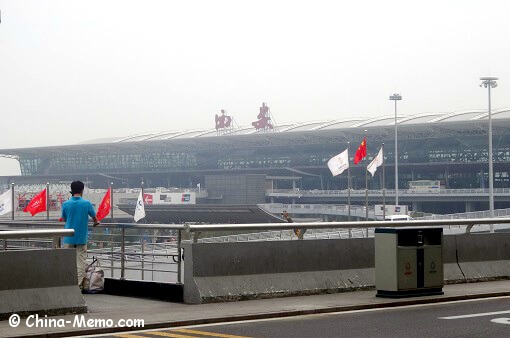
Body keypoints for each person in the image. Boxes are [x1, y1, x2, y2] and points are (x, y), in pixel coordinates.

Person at [61, 181, 100, 290]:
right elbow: (95, 219)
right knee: (80, 263)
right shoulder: (86, 203)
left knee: (68, 262)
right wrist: (96, 222)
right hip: (81, 237)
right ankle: (77, 287)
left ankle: (67, 284)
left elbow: (64, 219)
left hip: (68, 237)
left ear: (71, 190)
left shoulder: (66, 204)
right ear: (82, 190)